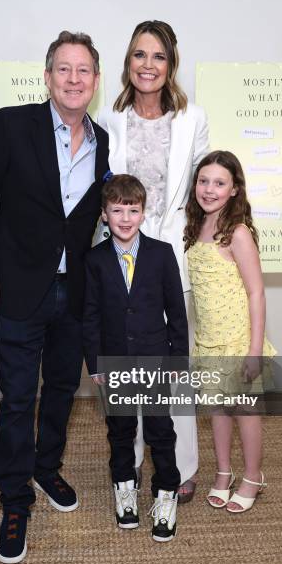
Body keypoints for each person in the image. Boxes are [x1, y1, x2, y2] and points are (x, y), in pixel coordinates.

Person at [0, 31, 109, 564]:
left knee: (64, 390)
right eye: (63, 69)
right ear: (47, 77)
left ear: (95, 80)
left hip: (74, 292)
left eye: (83, 70)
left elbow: (92, 218)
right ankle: (15, 499)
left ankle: (46, 470)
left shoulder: (102, 141)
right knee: (19, 398)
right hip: (19, 286)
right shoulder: (9, 124)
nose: (73, 79)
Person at [96, 20, 209, 502]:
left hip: (169, 255)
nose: (148, 65)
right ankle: (134, 460)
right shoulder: (108, 117)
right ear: (128, 63)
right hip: (120, 254)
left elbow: (204, 191)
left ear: (171, 64)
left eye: (158, 56)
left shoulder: (192, 118)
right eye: (140, 55)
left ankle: (180, 465)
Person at [83, 174, 188, 541]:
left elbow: (177, 311)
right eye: (117, 210)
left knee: (160, 430)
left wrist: (178, 359)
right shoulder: (94, 260)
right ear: (104, 215)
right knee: (121, 430)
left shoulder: (161, 254)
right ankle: (124, 487)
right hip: (114, 361)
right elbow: (91, 315)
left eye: (133, 210)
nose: (125, 218)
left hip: (155, 358)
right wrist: (95, 363)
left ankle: (165, 493)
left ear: (144, 213)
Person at [184, 150, 276, 513]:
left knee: (243, 410)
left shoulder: (237, 233)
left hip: (237, 340)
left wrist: (253, 350)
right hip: (208, 339)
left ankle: (253, 476)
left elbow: (256, 291)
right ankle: (224, 472)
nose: (209, 189)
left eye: (219, 183)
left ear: (234, 189)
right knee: (217, 410)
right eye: (203, 181)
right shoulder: (195, 226)